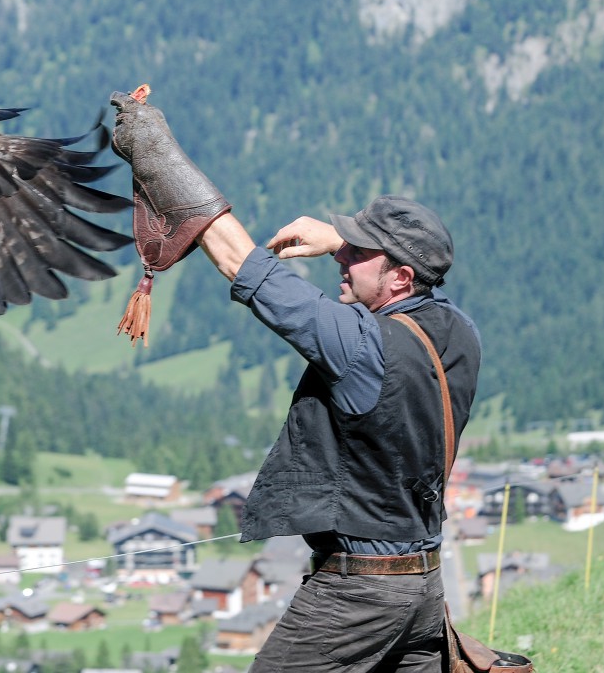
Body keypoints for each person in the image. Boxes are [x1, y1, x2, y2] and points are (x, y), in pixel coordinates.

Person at [110, 91, 481, 673]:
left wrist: (157, 155)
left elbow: (243, 263)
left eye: (359, 254)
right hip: (423, 590)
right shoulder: (460, 333)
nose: (341, 260)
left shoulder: (360, 345)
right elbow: (409, 287)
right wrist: (347, 244)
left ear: (399, 278)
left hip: (356, 597)